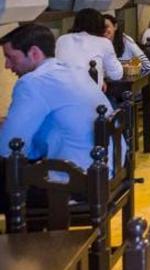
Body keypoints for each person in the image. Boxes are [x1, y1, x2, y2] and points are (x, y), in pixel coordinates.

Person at [0, 24, 108, 172]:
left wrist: (8, 129)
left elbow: (8, 148)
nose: (7, 65)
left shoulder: (32, 82)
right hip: (107, 166)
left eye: (11, 57)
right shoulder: (74, 71)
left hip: (77, 176)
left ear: (34, 53)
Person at [56, 8, 123, 85]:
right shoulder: (103, 42)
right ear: (99, 25)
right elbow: (117, 75)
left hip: (61, 91)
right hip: (89, 94)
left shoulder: (62, 39)